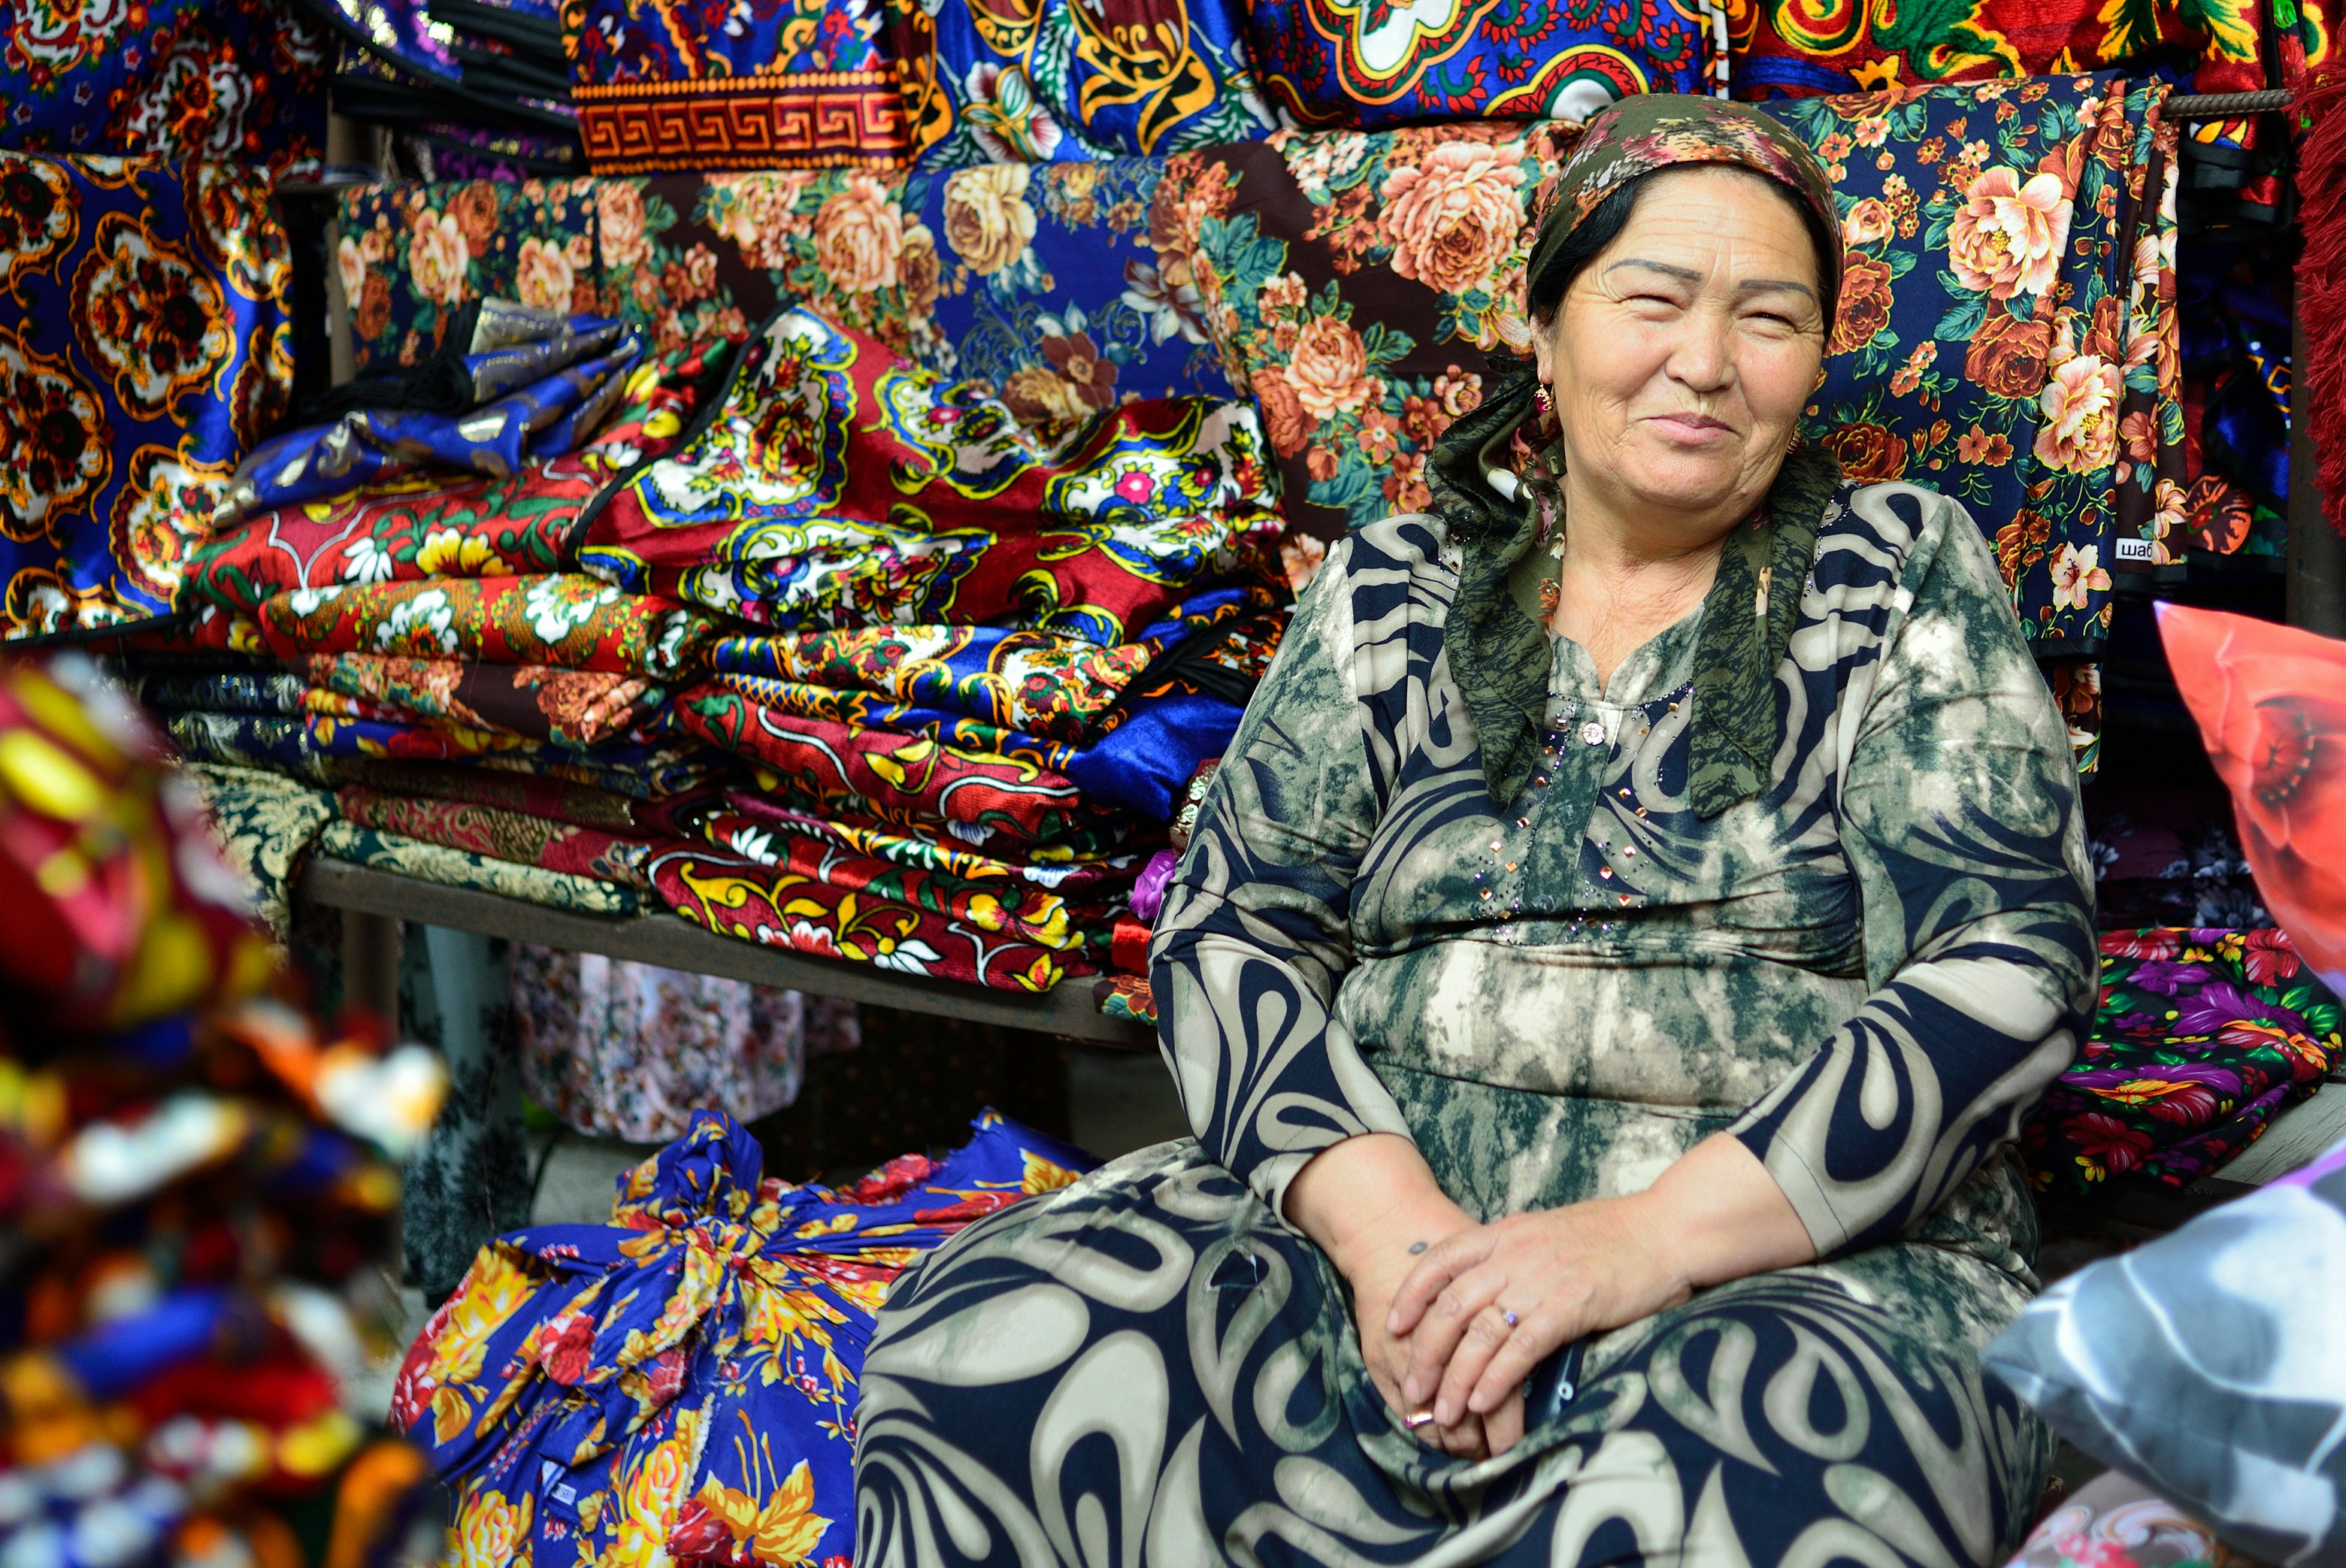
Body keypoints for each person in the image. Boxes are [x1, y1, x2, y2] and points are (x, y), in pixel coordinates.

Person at [852, 96, 2098, 1567]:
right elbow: (1232, 922)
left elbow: (2007, 961)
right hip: (1383, 1237)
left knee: (1772, 1474)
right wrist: (1394, 1242)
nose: (1706, 361)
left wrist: (1638, 1242)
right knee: (983, 1348)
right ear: (1546, 330)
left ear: (1817, 362)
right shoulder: (1397, 589)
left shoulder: (1892, 572)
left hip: (1778, 1255)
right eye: (1652, 300)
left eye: (1771, 317)